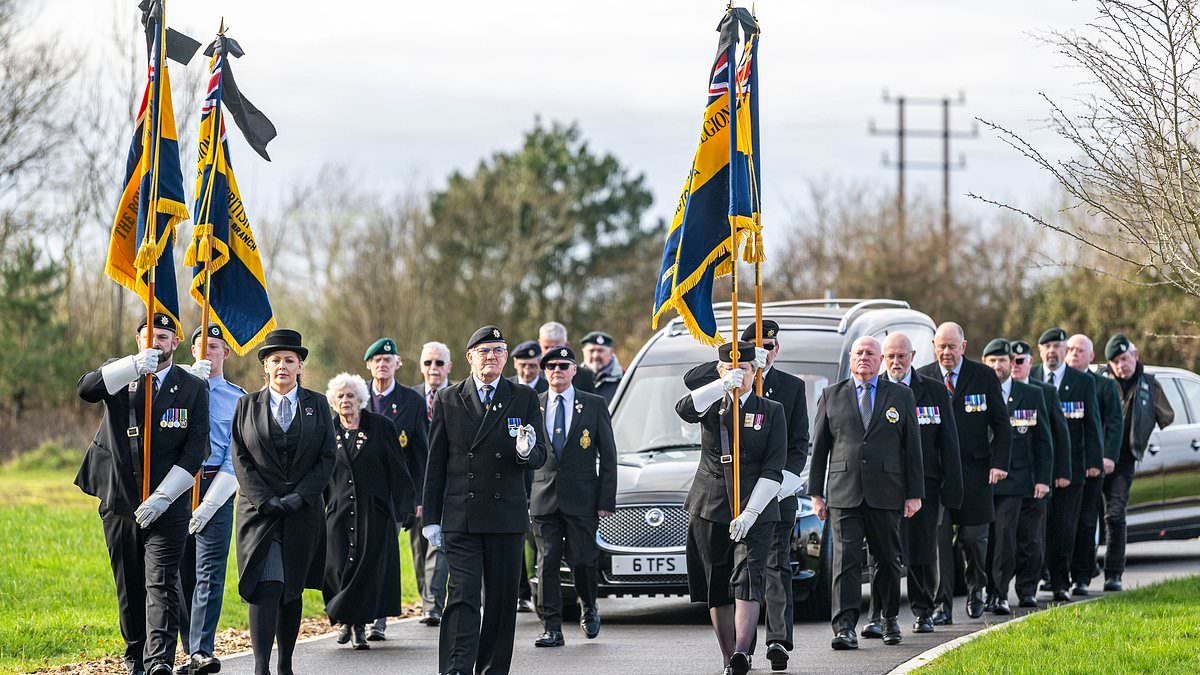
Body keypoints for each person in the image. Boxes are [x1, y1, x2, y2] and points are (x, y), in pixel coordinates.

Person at [75, 312, 208, 675]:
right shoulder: (120, 374)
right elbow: (86, 389)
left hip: (169, 503)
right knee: (130, 585)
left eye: (164, 337)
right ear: (138, 341)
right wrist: (132, 367)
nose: (156, 342)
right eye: (149, 336)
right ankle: (135, 657)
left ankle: (159, 661)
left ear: (175, 343)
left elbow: (198, 450)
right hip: (120, 499)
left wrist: (164, 497)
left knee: (162, 582)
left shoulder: (192, 385)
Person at [682, 320, 808, 672]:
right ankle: (732, 655)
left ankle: (758, 646)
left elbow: (792, 449)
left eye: (751, 364)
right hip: (712, 502)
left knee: (760, 571)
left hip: (766, 498)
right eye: (754, 348)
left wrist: (763, 501)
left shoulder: (781, 399)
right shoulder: (713, 398)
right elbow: (686, 403)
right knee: (719, 579)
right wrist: (726, 371)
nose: (742, 371)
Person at [422, 325, 548, 675]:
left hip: (505, 515)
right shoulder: (449, 398)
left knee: (501, 602)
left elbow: (540, 454)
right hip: (461, 515)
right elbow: (436, 462)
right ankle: (455, 669)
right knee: (461, 596)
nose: (491, 357)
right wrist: (431, 517)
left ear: (506, 357)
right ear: (470, 358)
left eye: (497, 351)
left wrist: (525, 451)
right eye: (484, 351)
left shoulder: (522, 397)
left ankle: (492, 669)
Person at [232, 329, 336, 675]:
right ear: (265, 367)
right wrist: (266, 500)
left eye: (289, 360)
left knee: (291, 588)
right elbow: (240, 457)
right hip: (258, 513)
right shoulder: (246, 406)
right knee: (267, 584)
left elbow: (326, 457)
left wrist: (299, 497)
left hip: (302, 511)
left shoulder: (317, 404)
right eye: (275, 360)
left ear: (300, 365)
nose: (282, 366)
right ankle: (261, 666)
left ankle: (285, 665)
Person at [810, 336, 924, 650]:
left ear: (881, 360)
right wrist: (816, 494)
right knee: (845, 561)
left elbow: (912, 448)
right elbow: (820, 449)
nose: (864, 357)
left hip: (887, 492)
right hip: (844, 492)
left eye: (870, 353)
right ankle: (844, 628)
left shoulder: (901, 395)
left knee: (887, 560)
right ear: (850, 358)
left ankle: (888, 619)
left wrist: (914, 494)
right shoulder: (831, 395)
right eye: (859, 353)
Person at [864, 332, 961, 636]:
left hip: (925, 483)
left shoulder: (932, 391)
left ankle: (923, 610)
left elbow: (949, 442)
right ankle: (877, 613)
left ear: (912, 356)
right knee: (882, 552)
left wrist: (953, 486)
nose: (895, 362)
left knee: (920, 549)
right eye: (890, 356)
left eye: (901, 356)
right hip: (883, 484)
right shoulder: (871, 389)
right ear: (882, 358)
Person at [917, 322, 1010, 624]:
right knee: (940, 544)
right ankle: (942, 606)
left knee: (973, 538)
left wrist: (999, 463)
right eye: (941, 346)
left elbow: (1001, 424)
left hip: (975, 472)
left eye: (952, 346)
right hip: (937, 475)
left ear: (963, 346)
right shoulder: (924, 378)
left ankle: (976, 587)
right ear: (934, 346)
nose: (946, 352)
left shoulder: (982, 376)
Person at [530, 346, 617, 647]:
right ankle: (551, 626)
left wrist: (606, 500)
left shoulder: (592, 405)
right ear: (544, 371)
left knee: (582, 561)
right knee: (548, 562)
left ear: (574, 370)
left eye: (564, 366)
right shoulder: (534, 404)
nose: (557, 370)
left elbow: (608, 456)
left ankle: (589, 605)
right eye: (551, 366)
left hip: (582, 498)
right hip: (543, 497)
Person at [322, 373, 416, 650]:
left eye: (350, 395)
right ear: (333, 401)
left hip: (374, 512)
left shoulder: (381, 426)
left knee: (366, 569)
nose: (345, 401)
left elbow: (397, 469)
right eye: (340, 396)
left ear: (361, 399)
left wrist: (405, 506)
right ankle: (345, 620)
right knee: (338, 568)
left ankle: (358, 627)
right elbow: (321, 473)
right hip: (339, 512)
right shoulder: (328, 430)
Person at [179, 324, 245, 675]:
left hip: (216, 485)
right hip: (177, 487)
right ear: (192, 351)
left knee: (210, 571)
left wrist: (215, 497)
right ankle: (185, 645)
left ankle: (201, 650)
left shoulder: (239, 398)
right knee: (177, 571)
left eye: (216, 346)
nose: (208, 351)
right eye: (202, 345)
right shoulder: (176, 389)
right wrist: (188, 384)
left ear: (226, 353)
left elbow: (238, 452)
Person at [361, 337, 429, 640]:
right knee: (359, 551)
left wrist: (417, 497)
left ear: (397, 364)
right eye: (377, 360)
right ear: (369, 365)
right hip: (360, 490)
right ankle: (356, 616)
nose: (382, 365)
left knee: (383, 553)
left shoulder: (411, 401)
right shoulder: (357, 395)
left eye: (388, 360)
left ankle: (378, 617)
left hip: (393, 492)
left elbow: (420, 454)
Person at [1030, 327, 1103, 602]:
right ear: (1039, 351)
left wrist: (1094, 462)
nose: (1052, 351)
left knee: (1065, 528)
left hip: (1072, 469)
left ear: (1065, 350)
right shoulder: (1032, 377)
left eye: (1057, 346)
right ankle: (1042, 577)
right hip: (1039, 471)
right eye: (1046, 346)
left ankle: (1062, 582)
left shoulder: (1082, 382)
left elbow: (1092, 424)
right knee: (1039, 528)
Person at [980, 339, 1052, 615]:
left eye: (1002, 361)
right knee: (983, 540)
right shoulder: (977, 393)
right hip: (983, 480)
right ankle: (987, 590)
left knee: (1009, 537)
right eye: (992, 361)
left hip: (1016, 480)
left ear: (1012, 364)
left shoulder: (1031, 394)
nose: (997, 366)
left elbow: (1043, 441)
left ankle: (1006, 593)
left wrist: (1043, 478)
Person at [1097, 334, 1174, 591]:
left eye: (1125, 358)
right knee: (1087, 516)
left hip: (1125, 459)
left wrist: (1143, 428)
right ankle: (1083, 570)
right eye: (1116, 361)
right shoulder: (1099, 382)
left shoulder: (1149, 384)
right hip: (1096, 458)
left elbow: (1167, 416)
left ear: (1135, 355)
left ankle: (1113, 574)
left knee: (1115, 514)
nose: (1122, 365)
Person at [1010, 339, 1070, 607]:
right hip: (1006, 480)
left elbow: (1057, 436)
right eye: (1009, 360)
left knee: (1033, 540)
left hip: (1035, 478)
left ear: (1029, 363)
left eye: (1020, 361)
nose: (1014, 366)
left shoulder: (1043, 392)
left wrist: (1053, 475)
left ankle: (1027, 590)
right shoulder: (995, 390)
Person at [1066, 334, 1124, 596]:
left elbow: (1113, 423)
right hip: (1063, 466)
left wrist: (1107, 457)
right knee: (1062, 522)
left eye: (1081, 350)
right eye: (1071, 349)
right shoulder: (1056, 383)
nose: (1074, 354)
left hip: (1091, 464)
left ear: (1091, 356)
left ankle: (1081, 576)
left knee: (1087, 521)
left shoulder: (1103, 386)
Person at [413, 340, 452, 626]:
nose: (433, 368)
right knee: (417, 549)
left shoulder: (458, 396)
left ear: (449, 366)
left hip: (450, 485)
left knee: (439, 547)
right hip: (416, 487)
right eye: (428, 363)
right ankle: (425, 597)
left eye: (439, 363)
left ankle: (433, 604)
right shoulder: (411, 399)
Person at [537, 321, 594, 394]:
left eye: (556, 347)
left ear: (566, 345)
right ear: (539, 344)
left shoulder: (584, 377)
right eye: (546, 347)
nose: (550, 351)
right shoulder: (533, 375)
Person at [580, 331, 624, 403]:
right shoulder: (572, 378)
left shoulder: (624, 378)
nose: (595, 355)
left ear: (611, 353)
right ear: (583, 352)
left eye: (600, 351)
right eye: (591, 351)